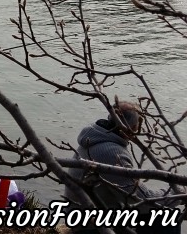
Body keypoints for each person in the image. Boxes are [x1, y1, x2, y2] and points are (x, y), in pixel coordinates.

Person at [65, 100, 181, 233]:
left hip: (82, 214)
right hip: (90, 226)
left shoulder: (96, 137)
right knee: (168, 217)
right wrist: (178, 194)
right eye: (138, 125)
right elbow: (140, 200)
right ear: (132, 128)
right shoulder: (111, 152)